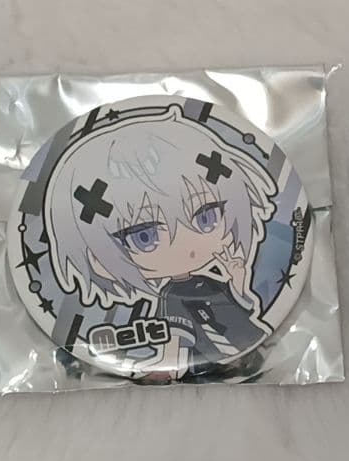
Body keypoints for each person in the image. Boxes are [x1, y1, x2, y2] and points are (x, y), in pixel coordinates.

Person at [44, 105, 277, 376]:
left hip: (246, 350)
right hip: (220, 361)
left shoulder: (211, 281)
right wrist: (163, 369)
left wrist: (238, 280)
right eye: (145, 237)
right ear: (98, 260)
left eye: (206, 217)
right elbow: (175, 337)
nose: (186, 242)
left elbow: (242, 310)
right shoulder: (172, 296)